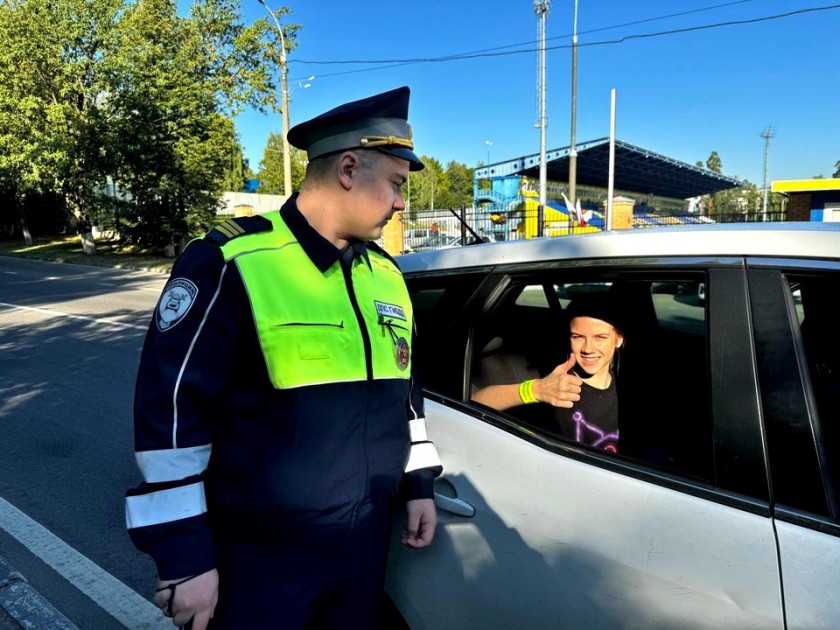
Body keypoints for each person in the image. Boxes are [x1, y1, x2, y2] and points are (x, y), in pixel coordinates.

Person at [125, 86, 443, 630]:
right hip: (260, 557)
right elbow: (171, 418)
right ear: (347, 168)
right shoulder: (231, 260)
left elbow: (405, 401)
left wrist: (419, 486)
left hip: (363, 546)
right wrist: (185, 559)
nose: (400, 203)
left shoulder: (387, 275)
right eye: (395, 183)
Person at [471, 292, 623, 452]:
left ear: (619, 339)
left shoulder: (626, 386)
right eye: (577, 337)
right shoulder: (556, 384)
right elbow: (476, 401)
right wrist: (536, 390)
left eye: (600, 337)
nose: (587, 348)